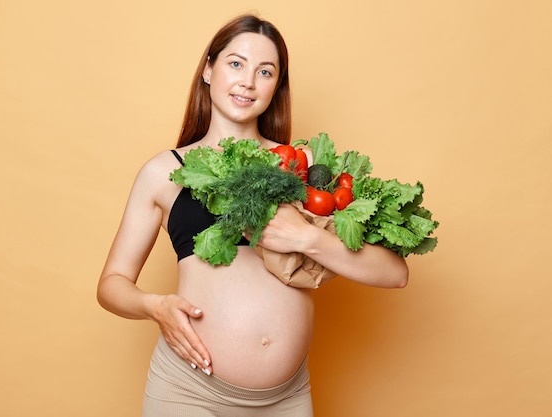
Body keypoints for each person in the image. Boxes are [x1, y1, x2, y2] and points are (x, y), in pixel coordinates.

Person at [97, 13, 408, 417]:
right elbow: (111, 284)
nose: (247, 81)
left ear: (276, 86)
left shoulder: (307, 164)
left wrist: (307, 238)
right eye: (236, 64)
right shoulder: (164, 172)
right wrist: (154, 306)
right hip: (188, 391)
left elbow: (394, 273)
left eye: (265, 71)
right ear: (208, 70)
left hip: (287, 399)